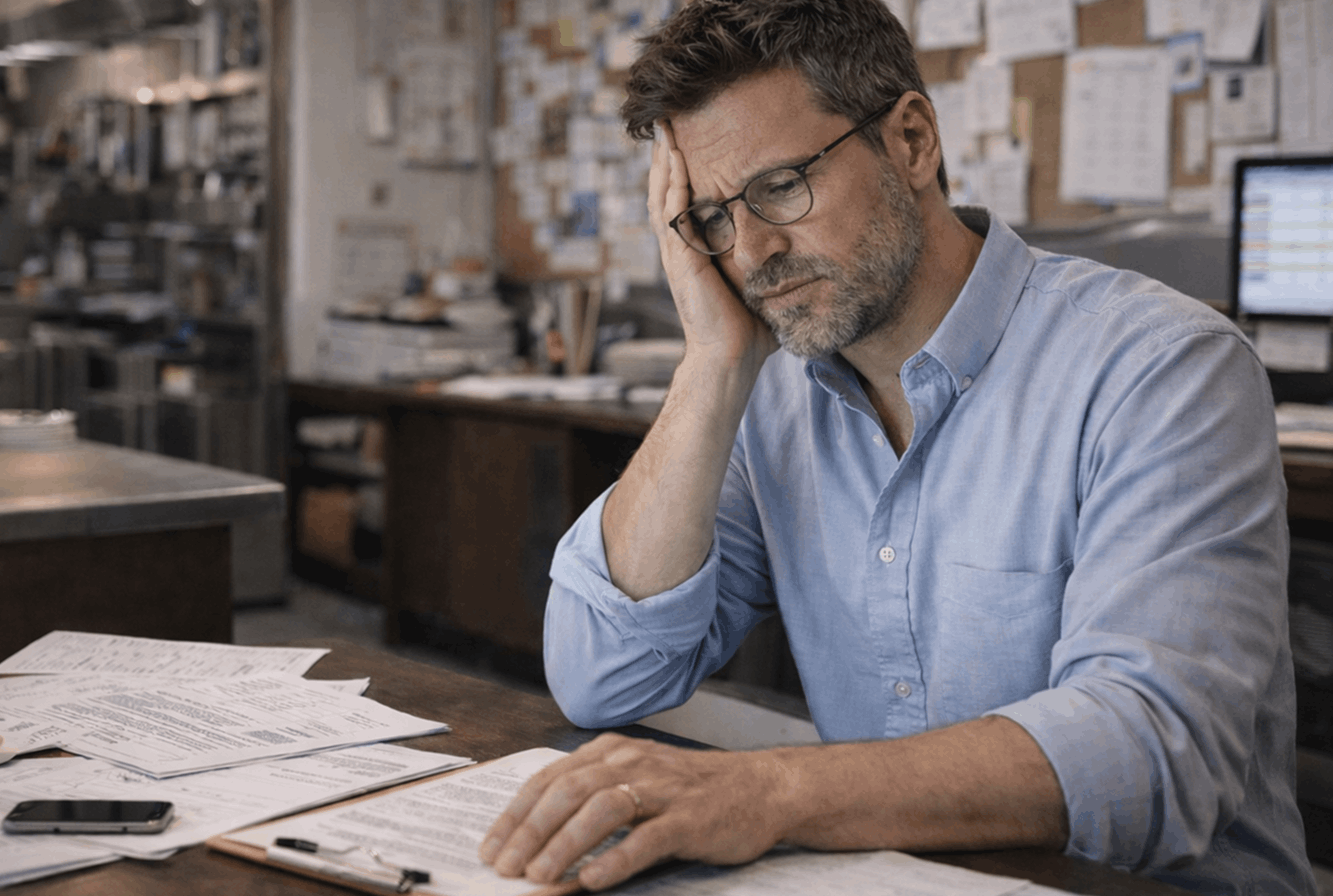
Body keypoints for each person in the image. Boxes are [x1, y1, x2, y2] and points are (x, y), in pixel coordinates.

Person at [476, 1, 1315, 893]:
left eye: (781, 186)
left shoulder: (1160, 367)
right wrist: (712, 364)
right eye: (712, 218)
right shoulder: (773, 393)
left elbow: (1153, 751)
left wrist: (772, 791)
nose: (752, 251)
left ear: (912, 142)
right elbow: (599, 676)